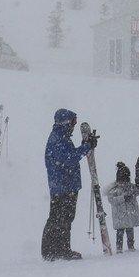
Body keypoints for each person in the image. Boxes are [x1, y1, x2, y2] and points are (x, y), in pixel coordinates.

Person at [42, 108, 96, 261]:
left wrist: (85, 145)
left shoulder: (61, 137)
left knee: (61, 218)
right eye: (72, 122)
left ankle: (54, 250)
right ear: (65, 122)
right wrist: (86, 147)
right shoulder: (57, 139)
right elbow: (69, 158)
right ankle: (58, 250)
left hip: (65, 185)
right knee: (61, 218)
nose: (73, 126)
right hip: (63, 186)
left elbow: (69, 156)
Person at [104, 162, 139, 252]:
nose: (123, 183)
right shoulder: (114, 189)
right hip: (119, 215)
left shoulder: (131, 187)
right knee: (120, 232)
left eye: (125, 181)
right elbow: (111, 200)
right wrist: (123, 198)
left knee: (130, 231)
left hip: (130, 214)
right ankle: (119, 248)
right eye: (122, 181)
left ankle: (131, 246)